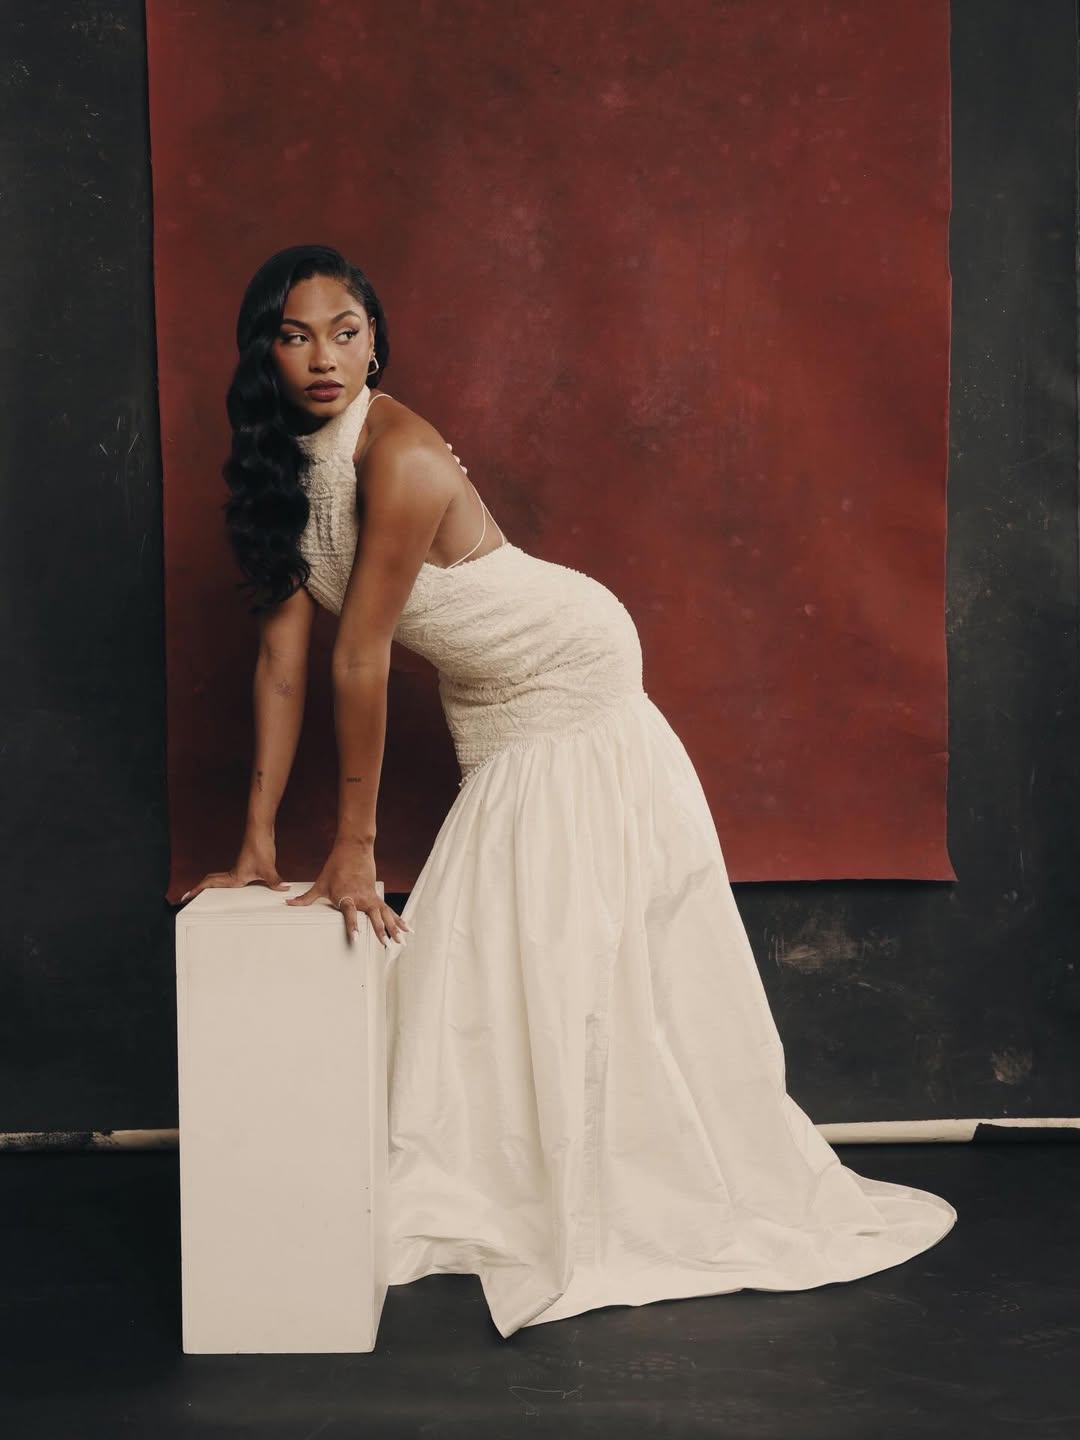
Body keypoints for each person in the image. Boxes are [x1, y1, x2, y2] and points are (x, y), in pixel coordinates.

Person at [182, 244, 957, 1340]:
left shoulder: (399, 454)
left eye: (346, 333)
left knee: (555, 937)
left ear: (376, 343)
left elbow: (361, 655)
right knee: (496, 940)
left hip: (566, 670)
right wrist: (258, 844)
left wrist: (355, 843)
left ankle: (595, 1170)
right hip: (485, 700)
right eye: (296, 335)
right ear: (264, 351)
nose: (324, 358)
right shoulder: (279, 465)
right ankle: (511, 1156)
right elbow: (281, 659)